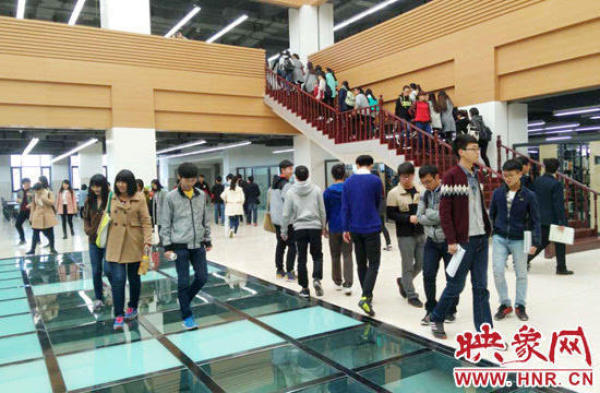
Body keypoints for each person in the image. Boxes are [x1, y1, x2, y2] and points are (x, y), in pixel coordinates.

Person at [430, 134, 493, 339]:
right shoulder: (451, 176)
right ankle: (437, 316)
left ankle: (485, 331)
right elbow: (445, 212)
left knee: (481, 286)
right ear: (461, 152)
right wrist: (451, 240)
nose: (477, 152)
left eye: (477, 149)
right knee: (456, 285)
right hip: (463, 241)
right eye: (473, 148)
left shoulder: (477, 174)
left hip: (481, 238)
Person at [160, 163, 212, 329]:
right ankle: (187, 316)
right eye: (187, 180)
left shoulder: (201, 195)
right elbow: (165, 222)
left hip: (197, 245)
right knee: (183, 281)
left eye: (193, 180)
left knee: (202, 277)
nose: (190, 183)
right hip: (179, 246)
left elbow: (205, 218)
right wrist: (167, 247)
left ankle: (184, 299)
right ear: (179, 178)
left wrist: (207, 239)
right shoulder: (170, 197)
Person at [490, 160, 541, 322]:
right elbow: (492, 214)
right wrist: (493, 230)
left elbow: (536, 220)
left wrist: (535, 242)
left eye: (511, 176)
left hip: (520, 238)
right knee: (497, 271)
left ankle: (520, 305)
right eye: (505, 176)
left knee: (521, 273)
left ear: (520, 174)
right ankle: (505, 304)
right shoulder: (497, 193)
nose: (508, 179)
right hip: (499, 237)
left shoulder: (529, 195)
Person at [105, 170, 152, 330]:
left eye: (124, 182)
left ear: (130, 183)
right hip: (115, 242)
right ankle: (118, 313)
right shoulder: (111, 196)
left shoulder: (140, 198)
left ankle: (132, 306)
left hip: (134, 242)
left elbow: (146, 221)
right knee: (118, 279)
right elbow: (104, 216)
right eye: (118, 181)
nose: (121, 185)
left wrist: (147, 241)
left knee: (134, 278)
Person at [417, 165, 459, 325]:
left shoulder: (448, 192)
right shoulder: (425, 194)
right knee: (428, 275)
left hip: (449, 241)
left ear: (437, 177)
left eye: (429, 181)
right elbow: (419, 216)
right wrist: (433, 215)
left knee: (452, 277)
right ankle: (430, 309)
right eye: (423, 182)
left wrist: (429, 214)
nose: (427, 185)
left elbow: (449, 216)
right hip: (431, 241)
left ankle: (450, 310)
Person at [342, 155, 382, 316]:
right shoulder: (375, 181)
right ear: (371, 165)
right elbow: (377, 202)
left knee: (361, 263)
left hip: (354, 228)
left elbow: (345, 207)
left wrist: (345, 228)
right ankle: (365, 297)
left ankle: (367, 294)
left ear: (357, 165)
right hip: (371, 226)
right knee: (373, 263)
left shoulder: (348, 182)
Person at [281, 166, 326, 298]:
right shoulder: (316, 190)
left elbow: (285, 214)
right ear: (308, 175)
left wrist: (284, 231)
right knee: (317, 255)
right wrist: (323, 226)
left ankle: (305, 288)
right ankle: (317, 278)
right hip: (315, 227)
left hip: (299, 228)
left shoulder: (290, 192)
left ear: (296, 176)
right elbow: (322, 210)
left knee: (301, 258)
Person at [387, 162, 425, 308]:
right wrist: (407, 218)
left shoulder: (420, 190)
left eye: (408, 177)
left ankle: (403, 281)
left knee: (421, 263)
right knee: (407, 264)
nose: (406, 180)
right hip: (405, 234)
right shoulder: (393, 193)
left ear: (413, 176)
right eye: (403, 177)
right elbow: (391, 214)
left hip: (421, 232)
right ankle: (411, 294)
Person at [527, 158, 573, 275]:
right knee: (559, 244)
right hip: (553, 218)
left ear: (544, 167)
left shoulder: (537, 181)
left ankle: (524, 260)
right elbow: (558, 204)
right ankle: (561, 268)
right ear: (557, 169)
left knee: (541, 243)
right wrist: (561, 221)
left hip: (539, 216)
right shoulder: (556, 184)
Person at [323, 164, 353, 295]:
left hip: (334, 226)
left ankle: (337, 281)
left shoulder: (328, 192)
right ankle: (348, 283)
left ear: (332, 175)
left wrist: (324, 226)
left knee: (335, 255)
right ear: (344, 175)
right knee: (347, 255)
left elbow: (325, 211)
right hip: (348, 227)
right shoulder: (350, 190)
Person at [83, 174, 110, 311]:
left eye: (98, 185)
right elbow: (86, 218)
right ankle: (99, 298)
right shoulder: (89, 200)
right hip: (93, 240)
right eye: (93, 186)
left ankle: (113, 293)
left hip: (109, 240)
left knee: (109, 269)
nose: (96, 189)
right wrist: (88, 230)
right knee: (96, 270)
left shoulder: (111, 199)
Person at [269, 160, 297, 280]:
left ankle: (279, 270)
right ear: (283, 170)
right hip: (286, 221)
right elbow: (289, 203)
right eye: (289, 169)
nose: (291, 171)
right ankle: (290, 272)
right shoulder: (286, 185)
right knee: (292, 245)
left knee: (280, 244)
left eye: (292, 168)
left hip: (276, 219)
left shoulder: (274, 183)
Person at [27, 177, 58, 255]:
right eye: (35, 191)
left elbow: (52, 202)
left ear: (41, 189)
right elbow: (33, 206)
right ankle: (32, 249)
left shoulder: (49, 193)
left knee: (50, 233)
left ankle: (52, 248)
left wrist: (44, 199)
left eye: (37, 191)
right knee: (35, 233)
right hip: (37, 216)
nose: (36, 192)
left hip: (48, 215)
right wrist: (31, 216)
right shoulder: (35, 194)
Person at [15, 178, 33, 245]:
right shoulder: (19, 191)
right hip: (22, 210)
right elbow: (18, 199)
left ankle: (37, 239)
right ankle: (22, 239)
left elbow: (36, 199)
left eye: (29, 183)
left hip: (30, 211)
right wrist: (17, 200)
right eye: (26, 183)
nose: (28, 184)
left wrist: (32, 196)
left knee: (34, 225)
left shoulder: (32, 191)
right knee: (17, 224)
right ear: (23, 184)